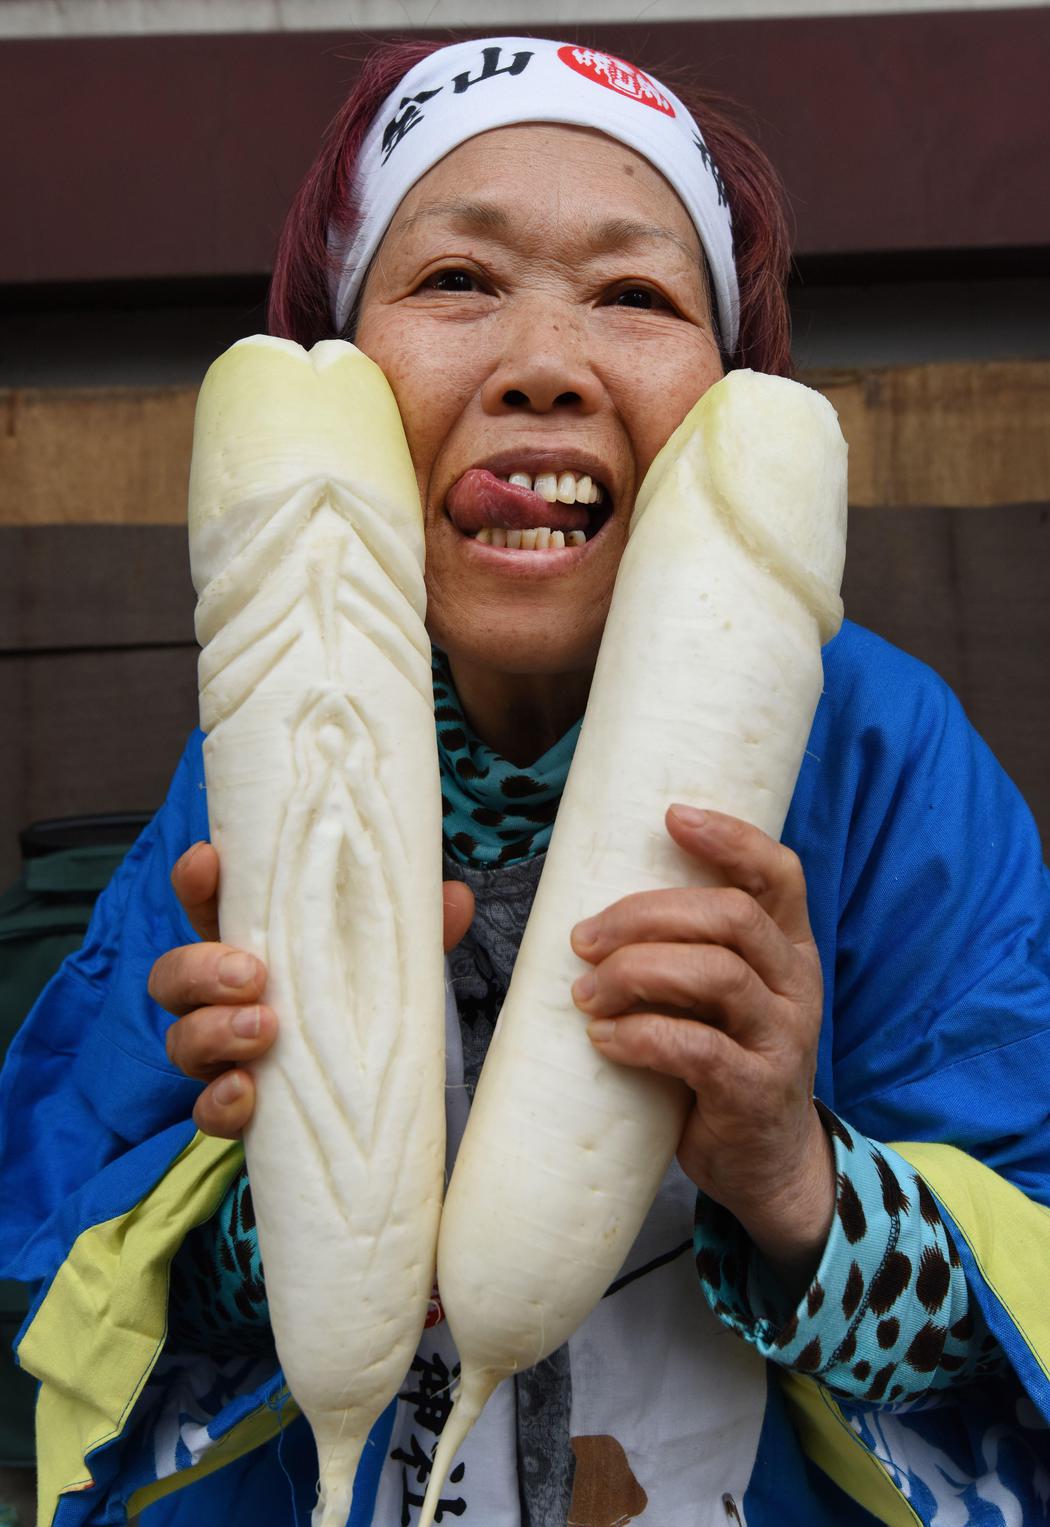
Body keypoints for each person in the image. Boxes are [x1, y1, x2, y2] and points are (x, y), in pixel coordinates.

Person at [2, 33, 1050, 1527]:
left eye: (633, 295)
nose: (543, 366)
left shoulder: (883, 763)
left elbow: (1023, 1284)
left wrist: (791, 1173)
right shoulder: (245, 765)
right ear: (338, 382)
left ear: (728, 408)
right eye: (455, 282)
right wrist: (263, 1191)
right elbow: (59, 1273)